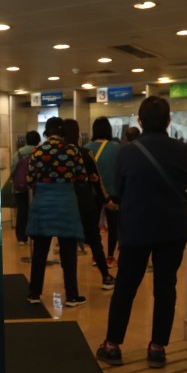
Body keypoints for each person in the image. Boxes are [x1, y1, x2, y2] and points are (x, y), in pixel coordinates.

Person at [97, 97, 187, 368]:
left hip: (137, 227)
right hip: (173, 228)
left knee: (126, 287)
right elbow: (184, 181)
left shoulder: (127, 152)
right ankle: (157, 348)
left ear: (139, 122)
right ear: (168, 121)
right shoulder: (182, 149)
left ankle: (113, 345)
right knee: (166, 287)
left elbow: (117, 190)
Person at [24, 116, 87, 307]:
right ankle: (71, 296)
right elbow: (82, 178)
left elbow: (29, 179)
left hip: (43, 204)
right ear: (63, 133)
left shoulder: (37, 151)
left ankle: (34, 293)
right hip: (66, 205)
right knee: (68, 252)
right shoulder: (72, 150)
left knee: (40, 252)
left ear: (47, 132)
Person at [62, 119, 114, 290]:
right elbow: (97, 181)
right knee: (94, 240)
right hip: (85, 203)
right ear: (77, 134)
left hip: (66, 204)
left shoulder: (58, 154)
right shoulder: (84, 152)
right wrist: (106, 200)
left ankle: (71, 288)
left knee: (67, 245)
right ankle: (106, 277)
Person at [86, 116, 121, 269]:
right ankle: (110, 257)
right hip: (113, 193)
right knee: (113, 226)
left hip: (93, 194)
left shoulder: (87, 148)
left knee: (93, 226)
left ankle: (96, 256)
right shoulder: (117, 148)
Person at [11, 130, 40, 244]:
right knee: (36, 211)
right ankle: (35, 235)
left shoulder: (18, 153)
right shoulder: (39, 152)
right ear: (38, 141)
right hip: (36, 187)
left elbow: (13, 169)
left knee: (22, 212)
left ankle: (21, 237)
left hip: (20, 187)